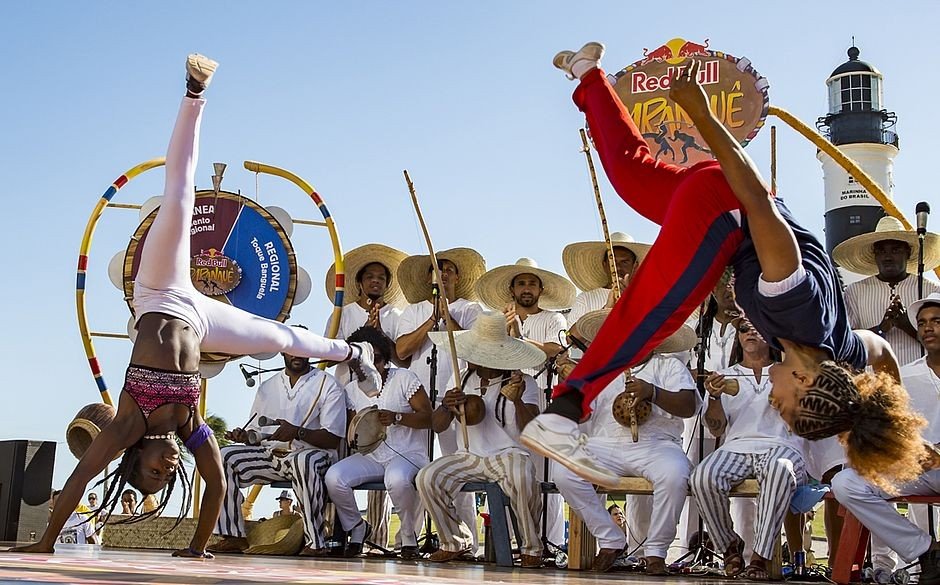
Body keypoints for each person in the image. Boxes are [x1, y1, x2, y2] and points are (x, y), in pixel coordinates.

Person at [10, 54, 380, 558]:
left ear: (136, 457)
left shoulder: (127, 424)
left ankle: (193, 92)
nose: (168, 467)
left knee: (179, 199)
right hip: (203, 320)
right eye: (168, 476)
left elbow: (78, 478)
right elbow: (218, 484)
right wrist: (197, 547)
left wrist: (44, 544)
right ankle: (353, 354)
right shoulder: (190, 426)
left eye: (155, 471)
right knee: (279, 339)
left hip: (160, 293)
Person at [521, 42, 919, 493]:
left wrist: (890, 413)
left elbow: (881, 352)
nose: (774, 401)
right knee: (652, 311)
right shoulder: (795, 308)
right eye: (785, 404)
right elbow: (755, 201)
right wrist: (703, 116)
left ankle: (588, 75)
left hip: (723, 197)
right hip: (728, 203)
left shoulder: (842, 353)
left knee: (633, 175)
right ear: (804, 381)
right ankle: (566, 409)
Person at [552, 310, 697, 574]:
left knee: (675, 474)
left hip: (656, 444)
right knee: (563, 470)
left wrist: (652, 391)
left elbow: (689, 406)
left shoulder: (669, 366)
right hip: (604, 444)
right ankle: (610, 539)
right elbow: (580, 414)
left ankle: (656, 551)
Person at [417, 311, 545, 567]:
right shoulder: (460, 378)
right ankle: (455, 541)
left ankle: (531, 547)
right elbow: (438, 425)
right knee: (427, 477)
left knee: (522, 476)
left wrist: (517, 399)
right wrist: (446, 406)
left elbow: (532, 430)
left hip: (509, 454)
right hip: (470, 456)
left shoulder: (525, 382)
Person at [831, 292, 940, 585]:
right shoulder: (904, 376)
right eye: (922, 322)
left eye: (937, 321)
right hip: (916, 467)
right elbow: (885, 427)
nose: (928, 328)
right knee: (846, 483)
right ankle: (927, 550)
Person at [693, 318, 804, 580]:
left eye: (757, 328)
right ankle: (730, 546)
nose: (750, 332)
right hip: (737, 446)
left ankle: (760, 557)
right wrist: (715, 397)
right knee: (702, 476)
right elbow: (717, 428)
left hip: (782, 445)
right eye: (744, 328)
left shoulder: (789, 371)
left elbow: (803, 421)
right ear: (738, 337)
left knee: (779, 471)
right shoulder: (725, 373)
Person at [210, 344, 345, 556]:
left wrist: (298, 432)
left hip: (312, 454)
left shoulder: (328, 384)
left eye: (303, 349)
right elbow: (256, 433)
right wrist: (244, 436)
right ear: (283, 351)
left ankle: (315, 543)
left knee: (303, 462)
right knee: (225, 456)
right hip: (272, 456)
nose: (297, 354)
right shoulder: (268, 387)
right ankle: (233, 536)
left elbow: (333, 439)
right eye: (292, 349)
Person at [395, 248, 485, 552]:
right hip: (417, 400)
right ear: (429, 277)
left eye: (448, 269)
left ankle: (466, 542)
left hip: (455, 398)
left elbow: (474, 349)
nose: (442, 273)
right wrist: (430, 321)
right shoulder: (413, 310)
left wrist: (448, 320)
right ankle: (410, 538)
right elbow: (402, 352)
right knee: (415, 469)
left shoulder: (471, 309)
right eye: (436, 269)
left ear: (457, 276)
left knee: (457, 469)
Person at [325, 326, 432, 560]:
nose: (372, 365)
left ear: (385, 357)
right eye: (364, 361)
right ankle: (357, 527)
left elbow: (428, 417)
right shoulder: (352, 389)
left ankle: (408, 536)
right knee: (334, 478)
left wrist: (398, 417)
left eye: (378, 359)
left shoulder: (404, 378)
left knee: (395, 479)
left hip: (407, 454)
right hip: (372, 456)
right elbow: (354, 432)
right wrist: (357, 431)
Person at [835, 215, 940, 366]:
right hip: (874, 383)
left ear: (908, 253)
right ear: (875, 256)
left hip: (923, 380)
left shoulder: (931, 289)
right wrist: (880, 329)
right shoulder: (855, 292)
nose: (887, 257)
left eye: (895, 250)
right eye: (881, 251)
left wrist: (907, 325)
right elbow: (846, 343)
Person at [563, 232, 650, 326]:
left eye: (624, 262)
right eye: (613, 261)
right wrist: (606, 309)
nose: (618, 267)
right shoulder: (586, 299)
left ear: (635, 266)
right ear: (604, 265)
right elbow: (570, 338)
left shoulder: (647, 299)